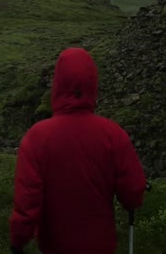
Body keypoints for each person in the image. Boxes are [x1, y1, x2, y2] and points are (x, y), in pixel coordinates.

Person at [9, 48, 147, 254]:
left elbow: (28, 203)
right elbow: (133, 192)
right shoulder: (112, 134)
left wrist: (18, 241)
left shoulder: (37, 137)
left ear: (57, 85)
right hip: (100, 246)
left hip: (55, 246)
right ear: (92, 84)